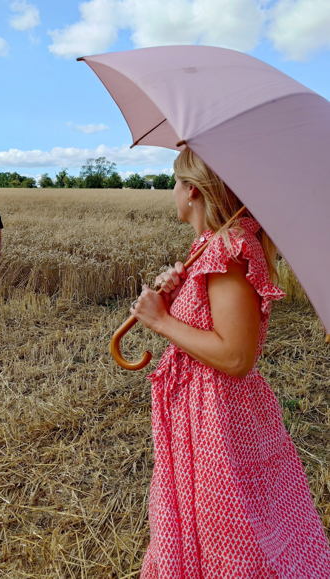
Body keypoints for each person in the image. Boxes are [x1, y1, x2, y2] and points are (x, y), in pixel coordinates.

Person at [131, 148, 330, 577]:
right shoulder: (211, 246)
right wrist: (175, 295)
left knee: (231, 531)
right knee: (209, 524)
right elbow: (211, 324)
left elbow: (236, 356)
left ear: (193, 191)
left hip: (218, 418)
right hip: (201, 412)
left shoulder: (228, 249)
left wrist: (162, 321)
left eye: (175, 181)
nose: (173, 191)